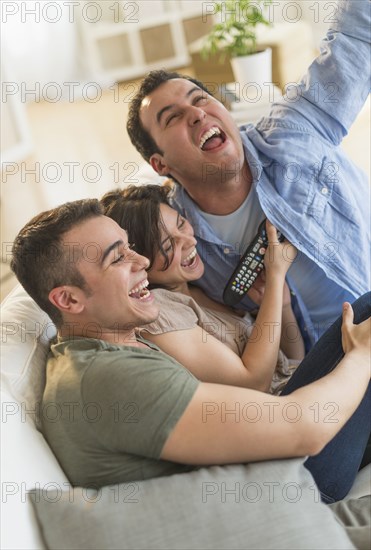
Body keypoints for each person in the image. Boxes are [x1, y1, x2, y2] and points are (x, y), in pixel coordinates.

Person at [10, 198, 370, 504]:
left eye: (130, 247)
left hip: (284, 468)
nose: (143, 263)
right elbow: (303, 427)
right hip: (293, 485)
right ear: (69, 299)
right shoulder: (105, 378)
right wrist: (361, 355)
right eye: (117, 258)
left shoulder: (120, 346)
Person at [126, 0, 370, 350]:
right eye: (173, 117)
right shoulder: (177, 239)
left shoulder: (292, 131)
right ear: (160, 165)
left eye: (201, 99)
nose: (197, 114)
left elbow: (355, 40)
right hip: (323, 365)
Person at [101, 184, 305, 394]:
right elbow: (254, 384)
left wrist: (280, 303)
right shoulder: (160, 313)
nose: (189, 241)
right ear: (142, 261)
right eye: (169, 246)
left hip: (301, 385)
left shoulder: (201, 287)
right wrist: (275, 274)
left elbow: (293, 361)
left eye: (181, 225)